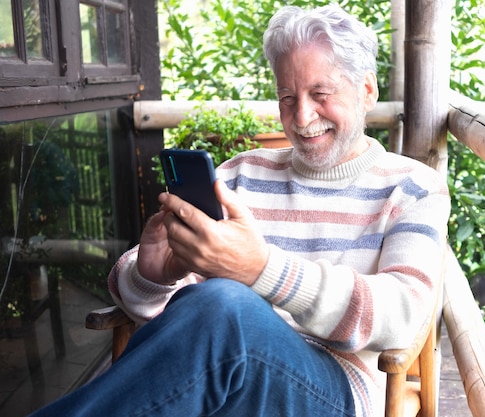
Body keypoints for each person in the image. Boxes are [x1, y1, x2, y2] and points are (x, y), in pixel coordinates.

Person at [30, 4, 450, 417]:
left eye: (320, 94)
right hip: (220, 378)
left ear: (367, 91)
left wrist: (261, 269)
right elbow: (171, 318)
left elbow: (403, 316)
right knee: (217, 308)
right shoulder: (240, 175)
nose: (302, 117)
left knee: (226, 304)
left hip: (335, 391)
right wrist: (151, 276)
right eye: (287, 97)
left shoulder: (412, 187)